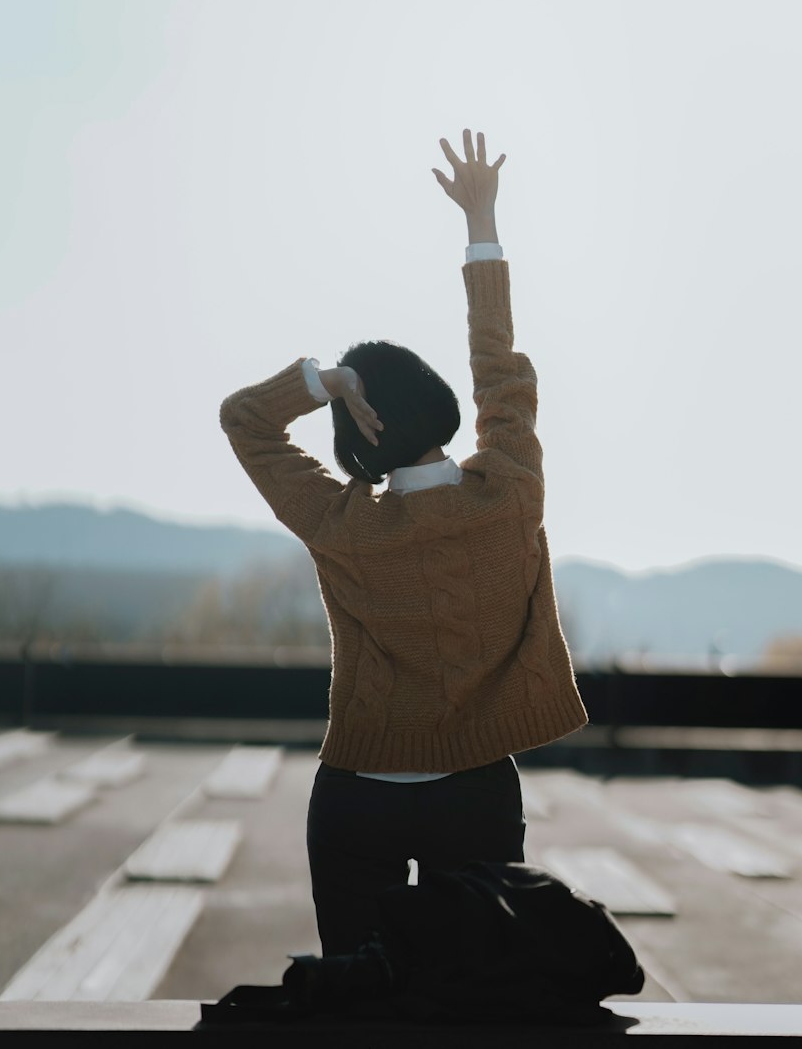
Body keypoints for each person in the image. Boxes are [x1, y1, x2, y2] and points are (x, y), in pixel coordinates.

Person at [219, 130, 588, 956]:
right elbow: (501, 370)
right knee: (475, 1001)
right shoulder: (509, 493)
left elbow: (244, 421)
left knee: (359, 1008)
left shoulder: (344, 527)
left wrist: (326, 384)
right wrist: (481, 221)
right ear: (433, 397)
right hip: (477, 791)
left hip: (357, 796)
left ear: (359, 441)